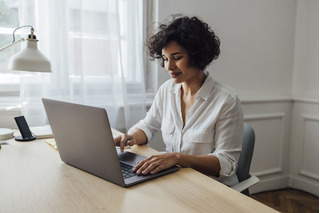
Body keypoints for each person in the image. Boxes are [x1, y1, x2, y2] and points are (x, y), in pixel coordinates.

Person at [114, 15, 243, 185]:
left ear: (197, 56)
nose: (169, 67)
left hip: (211, 187)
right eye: (166, 59)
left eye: (177, 57)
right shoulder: (167, 90)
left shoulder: (226, 100)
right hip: (176, 181)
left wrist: (178, 158)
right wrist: (130, 137)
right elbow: (148, 125)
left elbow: (227, 163)